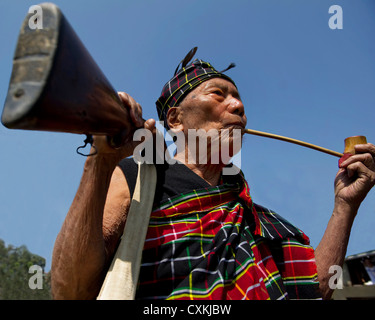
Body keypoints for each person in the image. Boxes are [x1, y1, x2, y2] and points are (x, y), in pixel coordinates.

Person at [51, 48, 375, 300]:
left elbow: (312, 290)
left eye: (239, 100)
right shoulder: (142, 177)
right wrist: (100, 160)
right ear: (176, 120)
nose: (238, 107)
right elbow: (70, 290)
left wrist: (345, 205)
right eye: (218, 94)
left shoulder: (256, 219)